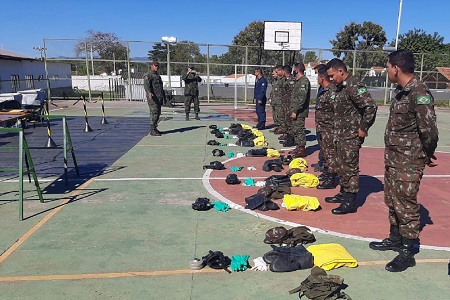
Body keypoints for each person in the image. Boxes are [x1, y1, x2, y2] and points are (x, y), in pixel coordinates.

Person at [369, 50, 438, 273]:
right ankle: (395, 238)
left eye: (388, 67)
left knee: (406, 202)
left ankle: (408, 251)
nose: (387, 71)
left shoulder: (419, 92)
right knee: (392, 198)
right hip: (394, 157)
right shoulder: (402, 92)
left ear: (396, 68)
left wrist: (425, 154)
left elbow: (429, 131)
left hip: (409, 160)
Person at [325, 58, 377, 214]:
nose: (331, 79)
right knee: (342, 166)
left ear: (341, 71)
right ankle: (343, 192)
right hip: (339, 134)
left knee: (350, 168)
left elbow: (370, 107)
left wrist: (363, 128)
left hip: (350, 136)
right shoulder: (340, 87)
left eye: (333, 75)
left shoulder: (354, 85)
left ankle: (350, 201)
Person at [315, 66, 338, 189]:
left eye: (318, 77)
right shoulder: (324, 90)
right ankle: (327, 172)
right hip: (322, 128)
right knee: (325, 153)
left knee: (330, 154)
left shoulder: (332, 91)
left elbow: (337, 111)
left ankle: (331, 178)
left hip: (329, 128)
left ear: (322, 78)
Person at [289, 62, 311, 158]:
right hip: (296, 110)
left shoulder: (304, 81)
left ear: (296, 70)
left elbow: (301, 98)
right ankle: (298, 147)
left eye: (294, 69)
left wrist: (295, 111)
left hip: (300, 111)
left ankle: (301, 149)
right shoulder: (299, 81)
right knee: (296, 129)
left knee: (299, 130)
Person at [143, 61, 165, 136]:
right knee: (154, 112)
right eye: (155, 66)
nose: (157, 67)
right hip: (152, 97)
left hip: (158, 97)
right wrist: (149, 92)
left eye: (157, 66)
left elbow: (160, 87)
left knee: (158, 113)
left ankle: (155, 128)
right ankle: (152, 130)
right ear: (151, 66)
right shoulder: (148, 75)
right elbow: (146, 85)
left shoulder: (157, 75)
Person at [311, 64, 327, 172]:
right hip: (320, 122)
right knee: (321, 143)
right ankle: (321, 162)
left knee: (325, 145)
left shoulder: (330, 89)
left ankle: (325, 166)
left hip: (326, 124)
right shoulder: (322, 88)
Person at [279, 65, 296, 147]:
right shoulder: (285, 80)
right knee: (287, 122)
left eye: (282, 71)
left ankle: (292, 139)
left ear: (285, 71)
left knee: (290, 123)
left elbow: (293, 94)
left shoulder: (292, 81)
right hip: (285, 105)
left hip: (290, 105)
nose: (280, 73)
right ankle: (288, 137)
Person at [268, 65, 285, 134]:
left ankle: (282, 128)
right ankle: (277, 127)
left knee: (280, 116)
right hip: (274, 102)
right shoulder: (275, 81)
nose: (273, 75)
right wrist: (270, 98)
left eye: (274, 73)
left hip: (280, 102)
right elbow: (273, 91)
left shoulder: (282, 80)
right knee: (275, 115)